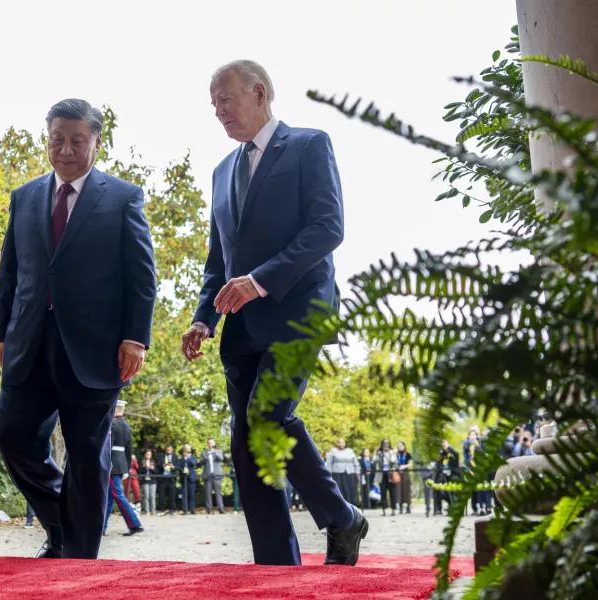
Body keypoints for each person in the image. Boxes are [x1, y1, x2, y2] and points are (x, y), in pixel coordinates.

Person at [181, 59, 366, 566]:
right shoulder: (221, 171)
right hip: (239, 327)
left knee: (267, 416)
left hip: (298, 312)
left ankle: (343, 517)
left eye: (225, 99)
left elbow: (328, 227)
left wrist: (260, 281)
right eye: (213, 103)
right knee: (246, 445)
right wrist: (204, 318)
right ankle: (275, 565)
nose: (218, 111)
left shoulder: (310, 144)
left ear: (259, 92)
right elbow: (218, 259)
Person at [0, 98, 157, 560]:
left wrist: (135, 337)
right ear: (47, 139)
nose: (66, 149)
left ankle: (78, 560)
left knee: (86, 454)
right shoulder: (24, 197)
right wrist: (1, 333)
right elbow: (10, 273)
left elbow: (142, 275)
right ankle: (63, 523)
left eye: (77, 140)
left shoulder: (123, 196)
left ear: (96, 143)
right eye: (57, 139)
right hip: (28, 343)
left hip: (97, 349)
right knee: (11, 433)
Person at [103, 400, 144, 536]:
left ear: (115, 409)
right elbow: (129, 449)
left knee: (117, 494)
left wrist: (104, 464)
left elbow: (108, 447)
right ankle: (101, 528)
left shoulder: (112, 425)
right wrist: (126, 468)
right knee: (109, 497)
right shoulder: (126, 426)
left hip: (112, 464)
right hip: (121, 464)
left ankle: (135, 524)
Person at [326, 439, 360, 508]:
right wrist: (329, 474)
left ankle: (352, 504)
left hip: (350, 473)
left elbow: (356, 462)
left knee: (351, 489)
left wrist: (358, 472)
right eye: (340, 442)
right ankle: (340, 505)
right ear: (337, 444)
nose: (341, 444)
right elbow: (329, 463)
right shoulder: (333, 451)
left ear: (345, 443)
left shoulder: (350, 451)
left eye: (343, 442)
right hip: (337, 474)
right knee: (340, 489)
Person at [201, 438, 225, 514]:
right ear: (207, 444)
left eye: (211, 443)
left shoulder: (219, 451)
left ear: (214, 443)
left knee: (218, 493)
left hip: (217, 475)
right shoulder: (204, 453)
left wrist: (215, 452)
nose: (210, 444)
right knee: (208, 494)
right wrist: (206, 456)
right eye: (208, 443)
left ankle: (221, 509)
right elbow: (201, 463)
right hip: (208, 476)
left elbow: (221, 458)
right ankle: (209, 510)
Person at [158, 445, 179, 515]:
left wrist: (172, 466)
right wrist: (164, 465)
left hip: (171, 478)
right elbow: (158, 464)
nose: (168, 452)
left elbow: (177, 467)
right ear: (165, 450)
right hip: (163, 478)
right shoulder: (161, 456)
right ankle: (161, 509)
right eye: (167, 450)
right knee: (161, 495)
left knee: (172, 495)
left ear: (172, 450)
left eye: (169, 450)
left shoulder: (175, 456)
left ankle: (172, 509)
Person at [178, 444, 198, 515]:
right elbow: (179, 467)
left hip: (192, 479)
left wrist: (188, 458)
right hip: (184, 479)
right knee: (184, 495)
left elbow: (194, 464)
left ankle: (192, 510)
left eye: (188, 451)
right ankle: (184, 510)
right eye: (186, 451)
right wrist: (182, 471)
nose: (187, 452)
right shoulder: (181, 459)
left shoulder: (193, 458)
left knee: (192, 495)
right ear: (184, 451)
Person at [394, 440, 413, 514]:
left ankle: (408, 507)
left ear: (404, 446)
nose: (400, 447)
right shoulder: (396, 454)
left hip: (405, 473)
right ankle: (400, 507)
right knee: (399, 490)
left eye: (401, 446)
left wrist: (404, 466)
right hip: (398, 473)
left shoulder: (408, 454)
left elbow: (410, 463)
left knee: (406, 490)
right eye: (398, 446)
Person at [139, 449, 159, 515]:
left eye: (150, 455)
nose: (148, 456)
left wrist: (152, 468)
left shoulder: (153, 462)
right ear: (145, 455)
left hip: (153, 481)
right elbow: (139, 471)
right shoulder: (142, 462)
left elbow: (156, 471)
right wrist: (146, 468)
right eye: (147, 454)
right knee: (146, 496)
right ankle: (147, 511)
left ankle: (153, 511)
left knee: (152, 496)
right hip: (145, 481)